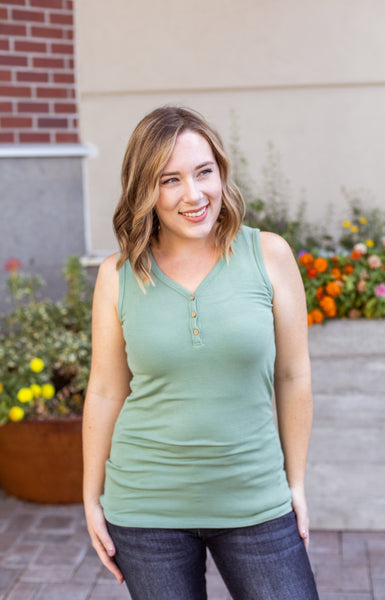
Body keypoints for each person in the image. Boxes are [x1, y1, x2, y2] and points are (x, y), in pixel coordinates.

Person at [83, 106, 319, 599]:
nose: (194, 194)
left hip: (255, 500)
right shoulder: (117, 275)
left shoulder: (268, 255)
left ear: (221, 173)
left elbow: (294, 376)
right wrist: (90, 497)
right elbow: (105, 391)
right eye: (170, 180)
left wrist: (295, 484)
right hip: (145, 509)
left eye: (204, 172)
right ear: (145, 190)